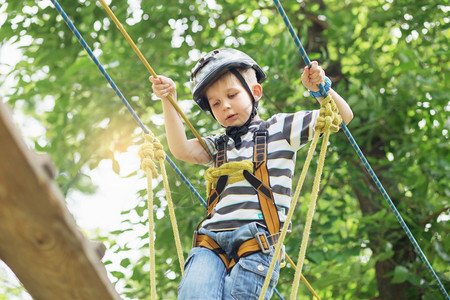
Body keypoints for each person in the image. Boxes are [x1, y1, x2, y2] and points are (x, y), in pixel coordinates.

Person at [149, 48, 353, 300]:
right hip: (210, 242)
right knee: (193, 295)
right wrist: (169, 102)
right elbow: (180, 149)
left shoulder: (280, 129)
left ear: (255, 92)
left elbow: (341, 116)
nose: (224, 105)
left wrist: (320, 89)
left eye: (232, 95)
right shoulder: (218, 144)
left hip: (256, 242)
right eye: (215, 103)